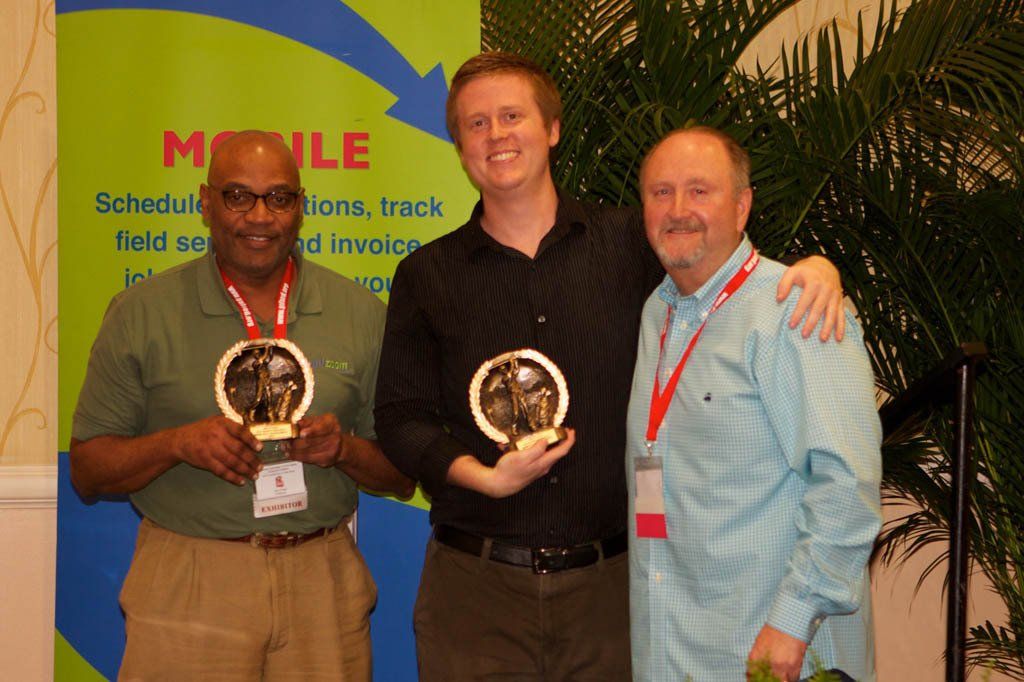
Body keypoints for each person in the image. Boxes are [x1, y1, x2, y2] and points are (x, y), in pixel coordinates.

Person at [374, 52, 848, 681]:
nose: (496, 135)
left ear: (552, 129)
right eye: (476, 124)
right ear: (459, 145)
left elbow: (724, 275)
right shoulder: (426, 274)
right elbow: (400, 418)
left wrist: (815, 269)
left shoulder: (633, 243)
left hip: (615, 591)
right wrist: (482, 478)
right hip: (475, 593)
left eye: (512, 116)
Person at [69, 130, 413, 681]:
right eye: (237, 196)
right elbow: (88, 471)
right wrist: (178, 444)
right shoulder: (140, 312)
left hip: (320, 581)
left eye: (278, 198)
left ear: (300, 207)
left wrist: (342, 449)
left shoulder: (361, 313)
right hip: (191, 581)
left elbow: (401, 474)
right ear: (205, 203)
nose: (259, 216)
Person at [626, 127, 882, 681]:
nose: (678, 209)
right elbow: (654, 463)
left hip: (775, 653)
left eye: (700, 191)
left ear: (742, 206)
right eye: (661, 192)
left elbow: (846, 485)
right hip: (677, 647)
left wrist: (793, 621)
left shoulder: (796, 309)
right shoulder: (657, 312)